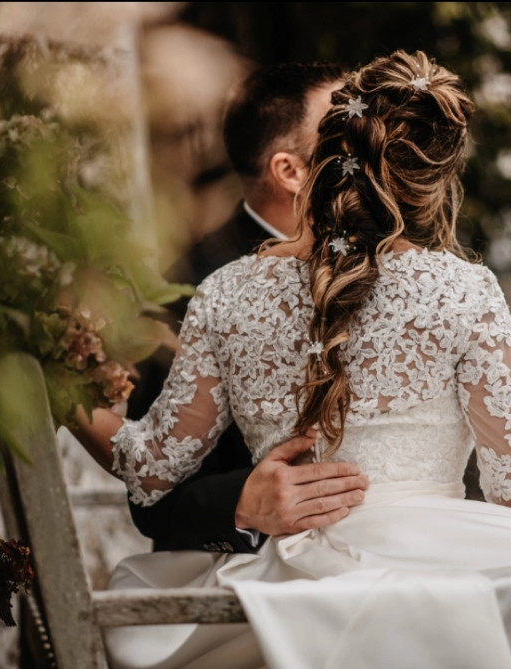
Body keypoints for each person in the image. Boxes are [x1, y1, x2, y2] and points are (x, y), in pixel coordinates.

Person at [72, 50, 511, 668]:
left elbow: (150, 465)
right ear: (426, 179)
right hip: (446, 560)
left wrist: (66, 394)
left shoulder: (225, 291)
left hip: (285, 583)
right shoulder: (463, 289)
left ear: (314, 170)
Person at [123, 61, 365, 553]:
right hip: (259, 572)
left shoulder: (409, 261)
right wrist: (240, 503)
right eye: (347, 123)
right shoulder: (187, 288)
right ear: (290, 171)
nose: (372, 135)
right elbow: (152, 495)